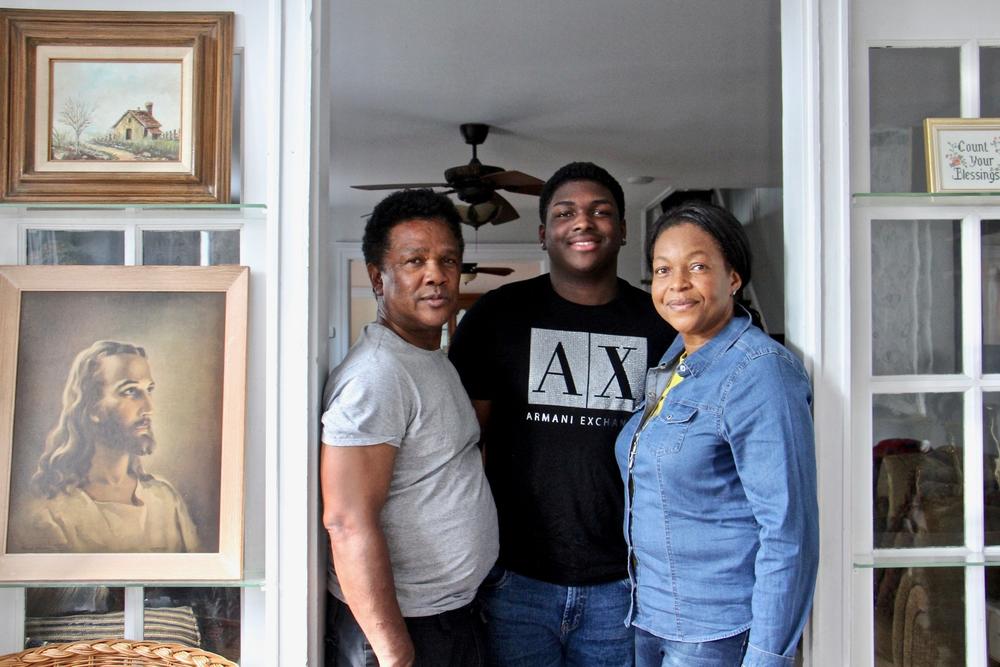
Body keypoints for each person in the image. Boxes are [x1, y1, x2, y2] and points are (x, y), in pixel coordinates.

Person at [448, 162, 675, 666]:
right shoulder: (494, 317)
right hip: (514, 580)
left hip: (627, 584)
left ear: (622, 230)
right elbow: (461, 447)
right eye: (565, 212)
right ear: (542, 233)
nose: (584, 222)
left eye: (601, 211)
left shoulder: (662, 325)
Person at [614, 201, 818, 667]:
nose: (676, 284)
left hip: (715, 632)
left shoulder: (760, 373)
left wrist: (767, 657)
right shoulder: (676, 359)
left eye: (698, 266)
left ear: (733, 277)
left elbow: (788, 532)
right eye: (663, 270)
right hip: (651, 616)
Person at [320, 188, 499, 667]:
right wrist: (395, 652)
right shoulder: (376, 376)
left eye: (448, 260)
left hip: (449, 618)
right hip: (405, 634)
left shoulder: (428, 357)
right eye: (414, 260)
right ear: (379, 278)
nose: (436, 275)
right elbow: (346, 521)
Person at [10, 340, 200, 554]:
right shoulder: (49, 513)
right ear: (92, 407)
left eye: (149, 390)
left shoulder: (165, 501)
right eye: (130, 391)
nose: (149, 408)